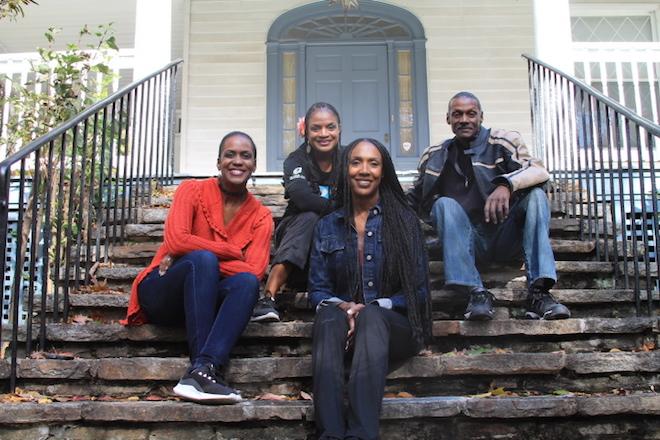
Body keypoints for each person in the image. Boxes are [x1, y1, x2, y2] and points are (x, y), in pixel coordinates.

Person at [122, 131, 273, 404]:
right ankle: (200, 373)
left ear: (254, 165)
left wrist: (188, 255)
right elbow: (176, 240)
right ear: (218, 162)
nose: (237, 161)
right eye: (230, 154)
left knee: (246, 284)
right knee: (202, 261)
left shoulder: (261, 216)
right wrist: (228, 252)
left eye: (245, 156)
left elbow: (254, 271)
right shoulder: (191, 190)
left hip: (205, 300)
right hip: (163, 291)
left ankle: (204, 368)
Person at [407, 91, 570, 321]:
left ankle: (539, 293)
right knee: (443, 204)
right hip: (468, 242)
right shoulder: (434, 156)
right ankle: (476, 292)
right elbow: (412, 199)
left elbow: (538, 171)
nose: (464, 119)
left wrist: (507, 185)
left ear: (481, 117)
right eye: (457, 114)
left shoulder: (503, 141)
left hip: (506, 236)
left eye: (471, 114)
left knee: (535, 196)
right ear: (448, 119)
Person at [309, 138, 433, 440]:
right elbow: (317, 290)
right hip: (344, 330)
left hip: (397, 328)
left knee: (373, 317)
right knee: (327, 317)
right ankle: (331, 434)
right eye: (356, 162)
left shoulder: (404, 223)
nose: (364, 170)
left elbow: (418, 293)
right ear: (344, 169)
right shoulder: (327, 226)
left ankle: (362, 434)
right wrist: (344, 308)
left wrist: (374, 308)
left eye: (373, 163)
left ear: (383, 171)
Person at [251, 102, 342, 322]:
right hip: (298, 235)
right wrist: (341, 209)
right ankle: (269, 297)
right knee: (310, 217)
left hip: (336, 241)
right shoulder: (296, 160)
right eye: (316, 128)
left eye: (330, 127)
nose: (324, 134)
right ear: (306, 132)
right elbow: (302, 198)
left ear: (340, 129)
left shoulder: (350, 158)